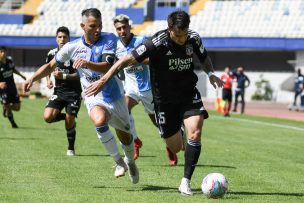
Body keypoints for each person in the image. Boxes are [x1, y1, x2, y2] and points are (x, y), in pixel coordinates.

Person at [85, 10, 223, 195]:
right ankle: (177, 134)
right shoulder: (156, 42)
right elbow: (125, 60)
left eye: (184, 34)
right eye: (178, 35)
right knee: (176, 147)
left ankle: (185, 182)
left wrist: (211, 73)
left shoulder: (193, 38)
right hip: (163, 100)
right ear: (169, 29)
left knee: (196, 132)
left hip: (188, 93)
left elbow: (204, 57)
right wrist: (103, 80)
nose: (182, 39)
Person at [23, 8, 139, 184]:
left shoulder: (109, 39)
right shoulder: (72, 47)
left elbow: (107, 66)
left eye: (100, 25)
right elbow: (50, 66)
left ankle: (130, 161)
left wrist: (87, 63)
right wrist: (32, 78)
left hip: (115, 95)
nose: (98, 29)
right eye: (93, 26)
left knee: (126, 137)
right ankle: (119, 162)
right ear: (83, 26)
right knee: (99, 120)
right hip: (93, 95)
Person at [113, 14, 178, 165]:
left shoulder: (141, 41)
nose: (122, 31)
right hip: (131, 89)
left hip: (149, 89)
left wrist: (135, 59)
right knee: (122, 110)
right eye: (119, 29)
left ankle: (170, 144)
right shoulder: (116, 46)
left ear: (130, 27)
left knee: (158, 122)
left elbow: (155, 59)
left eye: (124, 27)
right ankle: (135, 141)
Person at [43, 26, 82, 156]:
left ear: (69, 39)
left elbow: (79, 75)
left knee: (69, 123)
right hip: (59, 92)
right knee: (47, 117)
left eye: (65, 37)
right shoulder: (51, 54)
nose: (62, 39)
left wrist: (64, 76)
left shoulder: (75, 54)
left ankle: (71, 148)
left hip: (74, 93)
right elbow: (48, 68)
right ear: (56, 39)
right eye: (60, 37)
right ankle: (68, 117)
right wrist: (48, 79)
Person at [0, 46, 26, 128]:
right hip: (3, 90)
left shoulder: (9, 61)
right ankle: (13, 124)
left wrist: (21, 75)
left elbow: (13, 69)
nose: (3, 53)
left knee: (17, 108)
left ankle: (6, 108)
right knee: (7, 106)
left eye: (4, 51)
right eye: (1, 52)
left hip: (12, 87)